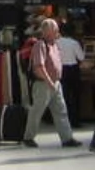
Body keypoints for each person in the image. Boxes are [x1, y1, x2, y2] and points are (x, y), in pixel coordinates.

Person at [22, 19, 82, 149]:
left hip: (56, 83)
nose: (57, 31)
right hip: (43, 84)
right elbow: (39, 67)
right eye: (55, 29)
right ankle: (28, 137)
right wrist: (49, 82)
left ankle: (67, 138)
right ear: (47, 31)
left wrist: (55, 82)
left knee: (61, 110)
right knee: (37, 111)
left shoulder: (55, 45)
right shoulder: (40, 45)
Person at [58, 25, 86, 128]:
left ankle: (65, 120)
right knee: (75, 96)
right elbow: (81, 57)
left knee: (64, 96)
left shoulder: (56, 43)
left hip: (61, 69)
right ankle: (75, 120)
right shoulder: (74, 43)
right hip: (73, 69)